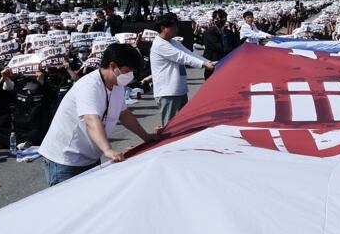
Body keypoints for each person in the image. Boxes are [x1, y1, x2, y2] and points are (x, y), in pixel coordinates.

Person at [38, 43, 159, 186]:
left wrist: (146, 137)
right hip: (66, 160)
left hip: (90, 156)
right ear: (113, 66)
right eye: (128, 70)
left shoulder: (117, 85)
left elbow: (124, 114)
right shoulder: (89, 86)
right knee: (69, 205)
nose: (131, 75)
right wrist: (107, 150)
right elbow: (91, 119)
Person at [150, 13, 215, 126]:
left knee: (183, 124)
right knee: (170, 126)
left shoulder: (172, 42)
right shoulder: (160, 44)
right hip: (168, 91)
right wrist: (204, 65)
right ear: (163, 28)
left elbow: (188, 53)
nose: (176, 29)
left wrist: (206, 62)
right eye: (173, 26)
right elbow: (182, 57)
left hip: (178, 89)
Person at [202, 9, 238, 78]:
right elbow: (219, 47)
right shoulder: (209, 32)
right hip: (213, 64)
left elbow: (235, 44)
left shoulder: (229, 33)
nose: (221, 20)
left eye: (223, 18)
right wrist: (232, 49)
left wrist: (236, 32)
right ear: (213, 19)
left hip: (227, 64)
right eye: (218, 18)